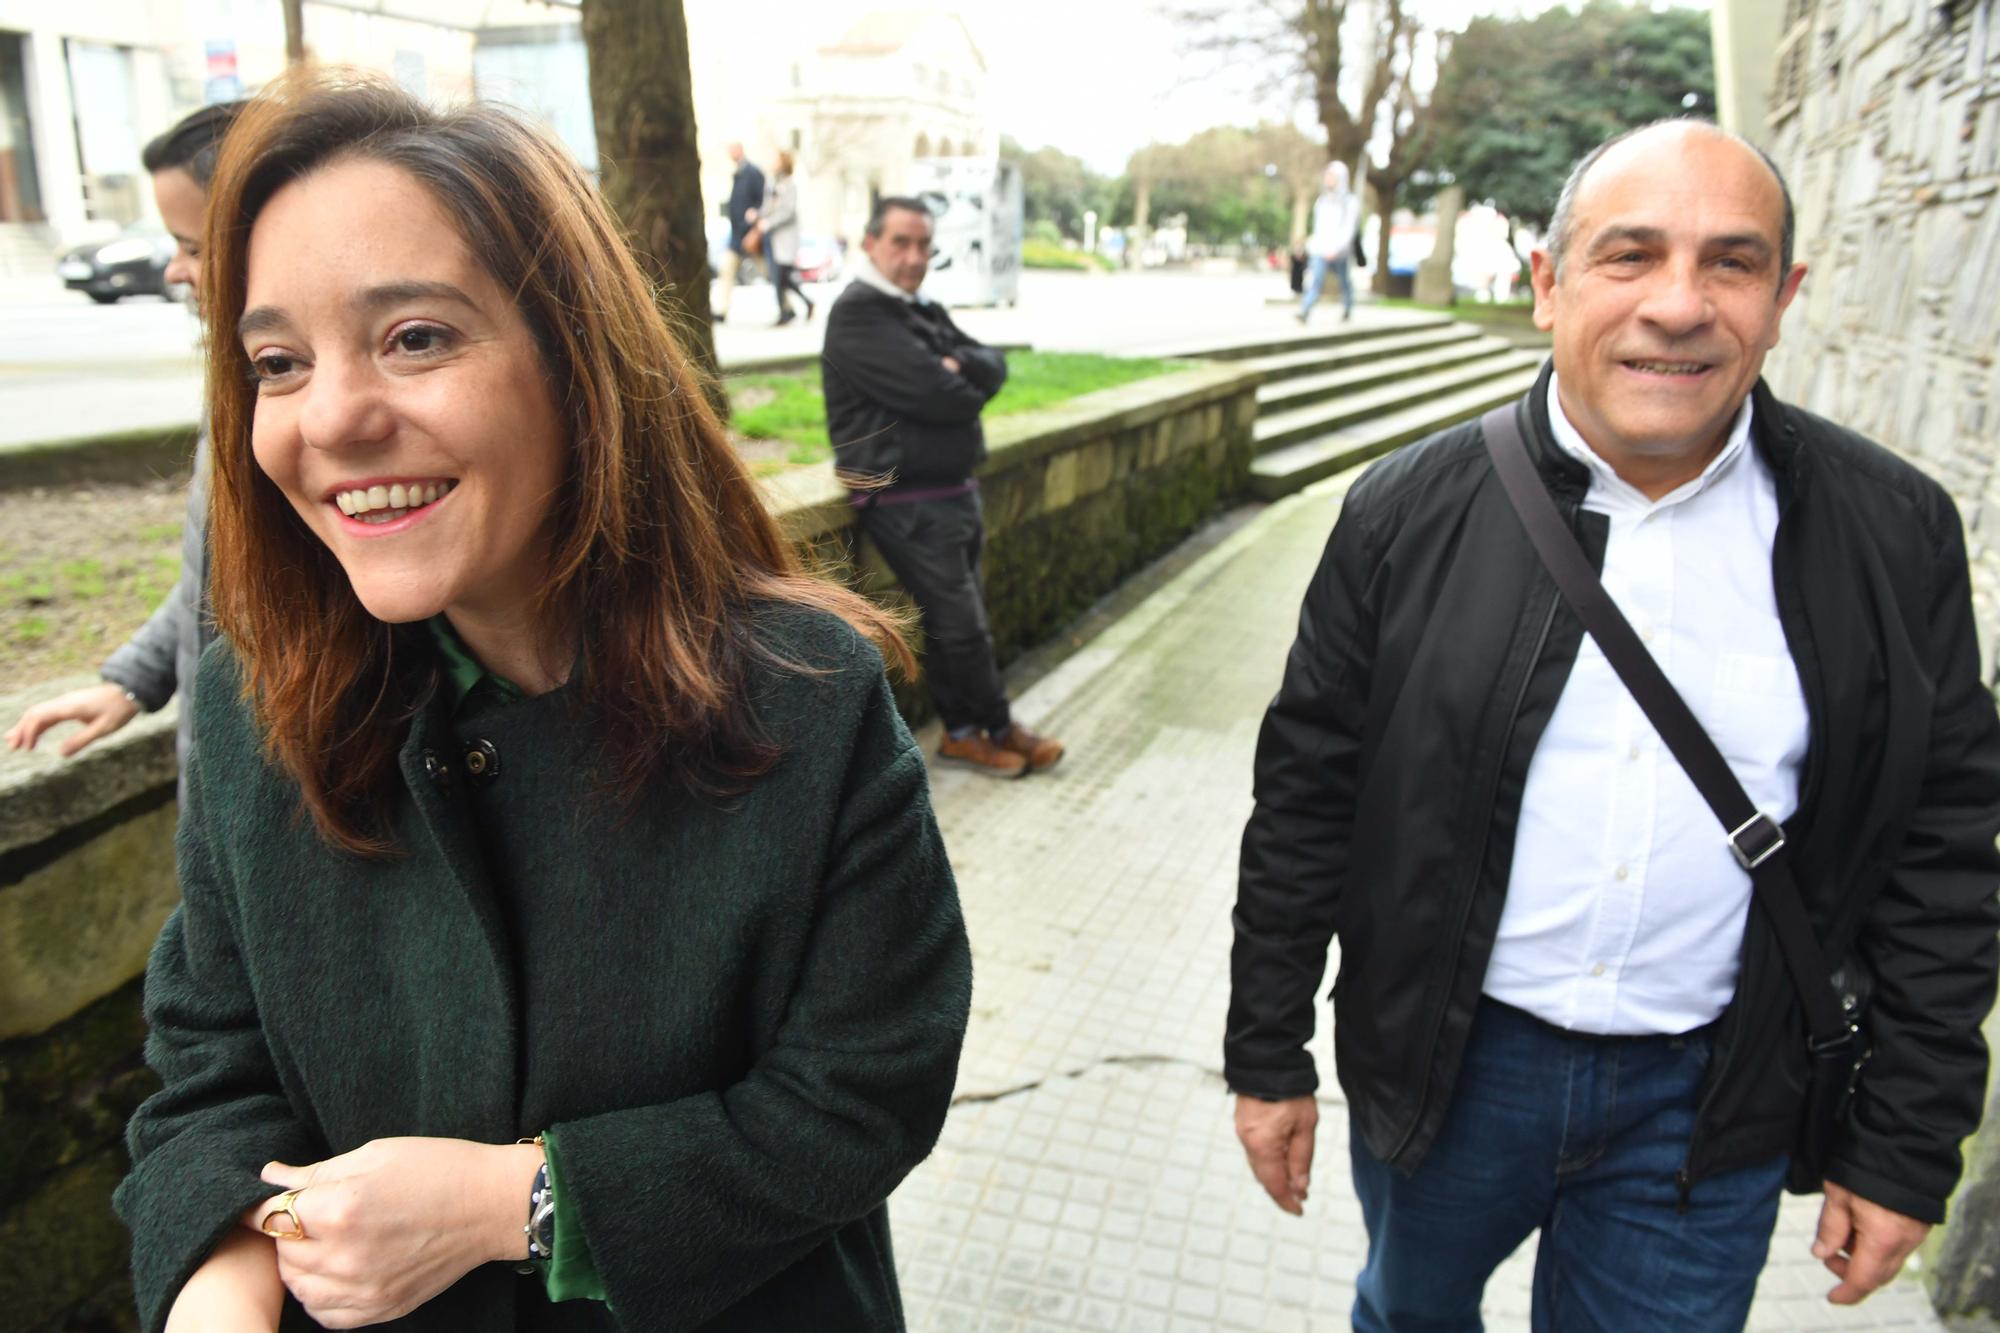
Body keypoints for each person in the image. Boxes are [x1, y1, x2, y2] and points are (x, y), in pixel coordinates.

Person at [112, 72, 972, 1333]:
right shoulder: (255, 692)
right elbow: (205, 1054)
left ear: (578, 361)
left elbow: (865, 1090)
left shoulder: (805, 693)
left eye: (415, 337)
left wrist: (514, 1202)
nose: (334, 417)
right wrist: (226, 1266)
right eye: (278, 362)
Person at [1227, 118, 2000, 1329]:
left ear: (1783, 296)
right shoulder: (1401, 511)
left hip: (1710, 1100)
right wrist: (1265, 1054)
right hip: (1446, 1069)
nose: (1679, 305)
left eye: (1731, 263)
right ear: (1548, 283)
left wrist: (1904, 1143)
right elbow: (1306, 801)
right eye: (1628, 255)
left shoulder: (1891, 533)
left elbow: (1943, 853)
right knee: (1407, 1312)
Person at [4, 101, 244, 769]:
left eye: (193, 246)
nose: (173, 270)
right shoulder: (237, 373)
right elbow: (226, 572)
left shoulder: (294, 402)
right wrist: (135, 678)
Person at [820, 196, 1064, 780]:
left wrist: (961, 367)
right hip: (904, 496)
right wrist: (956, 373)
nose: (914, 256)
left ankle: (963, 733)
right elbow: (942, 395)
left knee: (963, 618)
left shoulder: (917, 308)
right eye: (900, 242)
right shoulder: (859, 313)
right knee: (961, 623)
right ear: (871, 243)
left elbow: (993, 364)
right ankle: (998, 729)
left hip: (949, 490)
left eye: (924, 244)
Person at [756, 149, 815, 326]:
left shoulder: (790, 185)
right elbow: (767, 206)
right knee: (778, 276)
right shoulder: (772, 183)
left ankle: (793, 308)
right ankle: (788, 310)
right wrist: (757, 214)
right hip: (772, 238)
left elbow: (788, 211)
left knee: (783, 276)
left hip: (785, 238)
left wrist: (768, 223)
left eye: (776, 160)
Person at [1296, 161, 1358, 324]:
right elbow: (1318, 228)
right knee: (1316, 279)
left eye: (1332, 176)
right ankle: (1305, 309)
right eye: (1327, 175)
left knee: (1344, 282)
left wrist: (1337, 249)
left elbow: (1349, 229)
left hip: (1340, 252)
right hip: (1321, 249)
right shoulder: (1322, 201)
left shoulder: (1349, 202)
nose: (1328, 179)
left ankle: (1347, 307)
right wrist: (1311, 244)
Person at [711, 140, 765, 324]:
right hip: (736, 236)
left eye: (732, 150)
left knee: (768, 272)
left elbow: (762, 201)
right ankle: (721, 310)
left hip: (751, 235)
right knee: (726, 268)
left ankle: (787, 306)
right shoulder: (738, 174)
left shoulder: (753, 173)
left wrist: (755, 225)